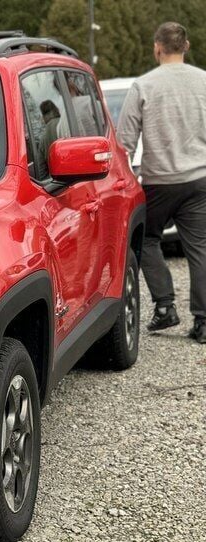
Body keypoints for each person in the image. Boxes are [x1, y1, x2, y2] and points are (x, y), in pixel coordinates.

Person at [118, 22, 206, 344]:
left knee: (148, 239)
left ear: (157, 47)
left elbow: (124, 141)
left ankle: (165, 306)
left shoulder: (143, 86)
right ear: (186, 46)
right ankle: (203, 322)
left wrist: (127, 177)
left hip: (159, 181)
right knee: (200, 248)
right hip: (199, 178)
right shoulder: (204, 82)